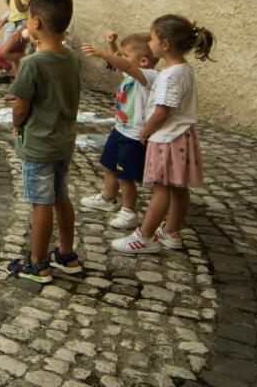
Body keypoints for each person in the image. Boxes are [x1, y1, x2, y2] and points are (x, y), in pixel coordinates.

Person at [111, 15, 214, 255]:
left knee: (162, 189)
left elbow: (161, 113)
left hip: (167, 139)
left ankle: (144, 236)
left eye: (154, 38)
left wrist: (145, 132)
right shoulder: (182, 69)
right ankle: (171, 231)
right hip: (182, 137)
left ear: (165, 44)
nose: (150, 42)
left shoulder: (169, 76)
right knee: (178, 188)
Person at [4, 0, 82, 284]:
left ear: (35, 22)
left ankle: (37, 263)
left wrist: (16, 124)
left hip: (38, 143)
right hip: (64, 140)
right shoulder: (71, 58)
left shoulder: (33, 63)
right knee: (61, 195)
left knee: (41, 202)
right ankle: (66, 254)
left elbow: (21, 104)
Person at [79, 31, 159, 231]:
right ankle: (108, 198)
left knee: (126, 176)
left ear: (143, 61)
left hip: (135, 136)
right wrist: (112, 46)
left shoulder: (149, 77)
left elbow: (125, 65)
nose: (122, 59)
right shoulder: (134, 71)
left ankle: (129, 211)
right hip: (120, 130)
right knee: (108, 165)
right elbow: (122, 65)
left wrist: (103, 53)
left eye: (126, 54)